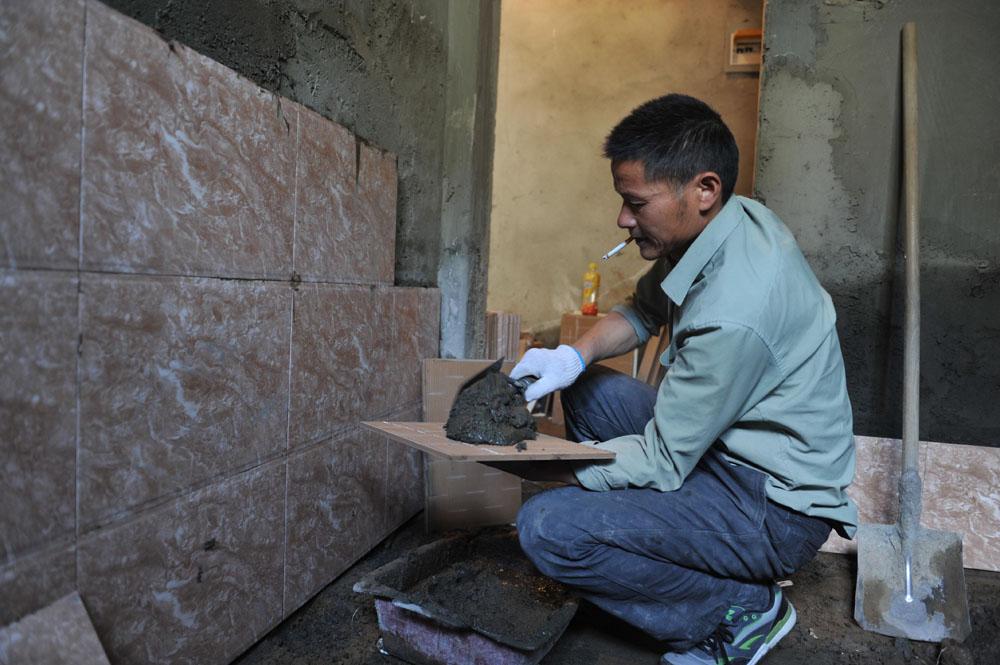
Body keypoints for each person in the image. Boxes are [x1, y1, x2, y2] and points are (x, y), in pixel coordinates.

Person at [503, 94, 858, 665]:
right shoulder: (721, 227)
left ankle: (738, 612)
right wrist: (571, 355)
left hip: (772, 509)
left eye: (635, 203)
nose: (622, 219)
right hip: (727, 453)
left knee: (549, 528)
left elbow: (664, 459)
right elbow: (642, 312)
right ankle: (658, 544)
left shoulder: (735, 310)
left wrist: (531, 462)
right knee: (588, 387)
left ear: (704, 190)